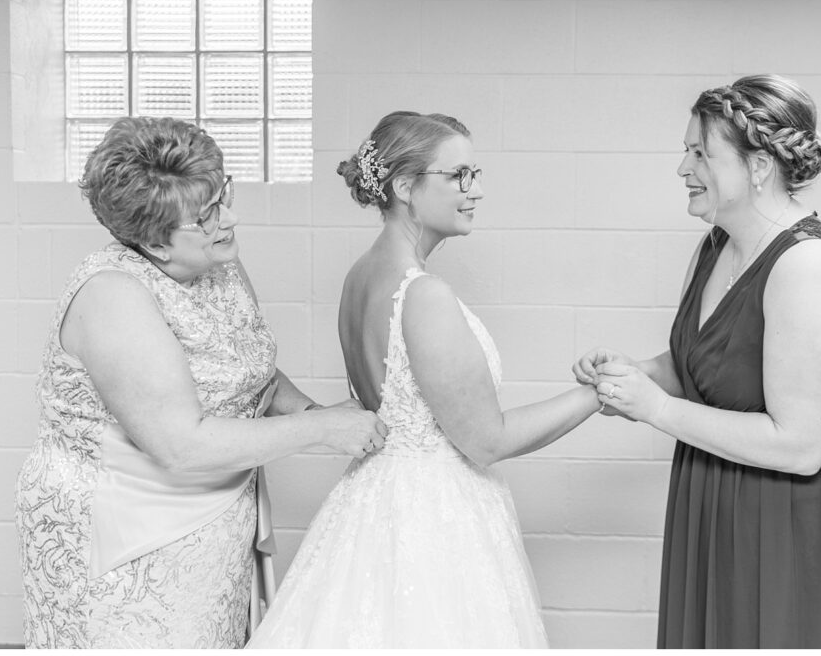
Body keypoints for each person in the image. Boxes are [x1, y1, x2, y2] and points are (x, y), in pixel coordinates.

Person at [573, 75, 821, 648]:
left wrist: (655, 407)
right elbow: (712, 365)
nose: (682, 169)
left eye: (699, 153)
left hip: (805, 513)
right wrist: (637, 373)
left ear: (758, 167)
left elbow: (800, 446)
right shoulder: (715, 246)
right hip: (720, 490)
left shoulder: (811, 267)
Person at [13, 117, 386, 649]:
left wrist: (307, 411)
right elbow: (179, 444)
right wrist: (323, 431)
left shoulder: (214, 263)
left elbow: (245, 368)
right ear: (153, 241)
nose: (228, 218)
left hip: (213, 522)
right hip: (127, 538)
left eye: (222, 195)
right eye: (206, 214)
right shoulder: (113, 298)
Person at [246, 111, 603, 648]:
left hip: (372, 498)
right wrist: (597, 395)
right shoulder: (423, 293)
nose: (476, 189)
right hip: (432, 518)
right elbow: (487, 440)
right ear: (406, 187)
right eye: (458, 175)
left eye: (475, 173)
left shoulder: (361, 275)